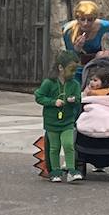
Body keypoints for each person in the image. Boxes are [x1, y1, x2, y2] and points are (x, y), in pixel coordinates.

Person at [35, 50, 82, 183]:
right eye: (71, 70)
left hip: (67, 120)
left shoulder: (75, 84)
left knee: (68, 144)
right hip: (52, 121)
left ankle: (71, 169)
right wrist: (52, 102)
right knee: (54, 147)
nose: (73, 73)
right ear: (61, 68)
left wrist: (74, 100)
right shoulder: (49, 83)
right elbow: (39, 96)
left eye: (75, 70)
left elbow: (78, 98)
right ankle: (55, 170)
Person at [63, 0, 109, 66]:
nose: (85, 23)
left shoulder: (101, 26)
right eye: (82, 19)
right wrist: (77, 49)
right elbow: (70, 57)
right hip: (78, 63)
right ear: (77, 19)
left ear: (94, 19)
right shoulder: (69, 30)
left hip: (96, 59)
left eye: (90, 20)